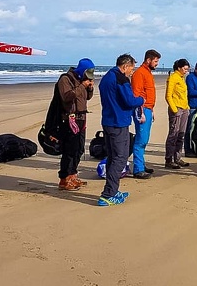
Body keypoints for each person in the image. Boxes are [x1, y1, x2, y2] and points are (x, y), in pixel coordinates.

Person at [98, 54, 144, 206]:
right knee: (120, 157)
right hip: (118, 123)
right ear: (125, 66)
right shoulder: (120, 78)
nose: (132, 71)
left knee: (113, 156)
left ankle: (113, 191)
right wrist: (141, 100)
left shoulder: (107, 77)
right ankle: (108, 194)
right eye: (132, 68)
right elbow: (129, 101)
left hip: (109, 121)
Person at [57, 58, 95, 191]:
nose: (89, 75)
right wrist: (82, 86)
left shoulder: (81, 81)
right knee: (69, 150)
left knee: (79, 149)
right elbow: (67, 96)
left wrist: (89, 88)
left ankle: (73, 175)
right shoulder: (65, 79)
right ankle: (64, 179)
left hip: (81, 118)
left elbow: (86, 97)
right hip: (69, 119)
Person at [130, 49, 161, 179]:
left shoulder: (147, 73)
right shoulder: (139, 73)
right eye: (155, 61)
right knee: (141, 139)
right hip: (141, 109)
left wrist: (151, 110)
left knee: (144, 138)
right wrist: (141, 111)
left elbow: (148, 92)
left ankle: (141, 164)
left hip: (148, 109)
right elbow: (136, 94)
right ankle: (138, 169)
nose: (157, 64)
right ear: (148, 60)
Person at [165, 58, 191, 169]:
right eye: (185, 69)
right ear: (179, 68)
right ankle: (169, 159)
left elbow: (184, 95)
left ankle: (177, 157)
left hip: (184, 108)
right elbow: (168, 95)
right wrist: (174, 110)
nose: (186, 71)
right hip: (176, 109)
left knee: (181, 134)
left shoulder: (181, 78)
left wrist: (187, 107)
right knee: (173, 134)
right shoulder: (173, 77)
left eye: (187, 69)